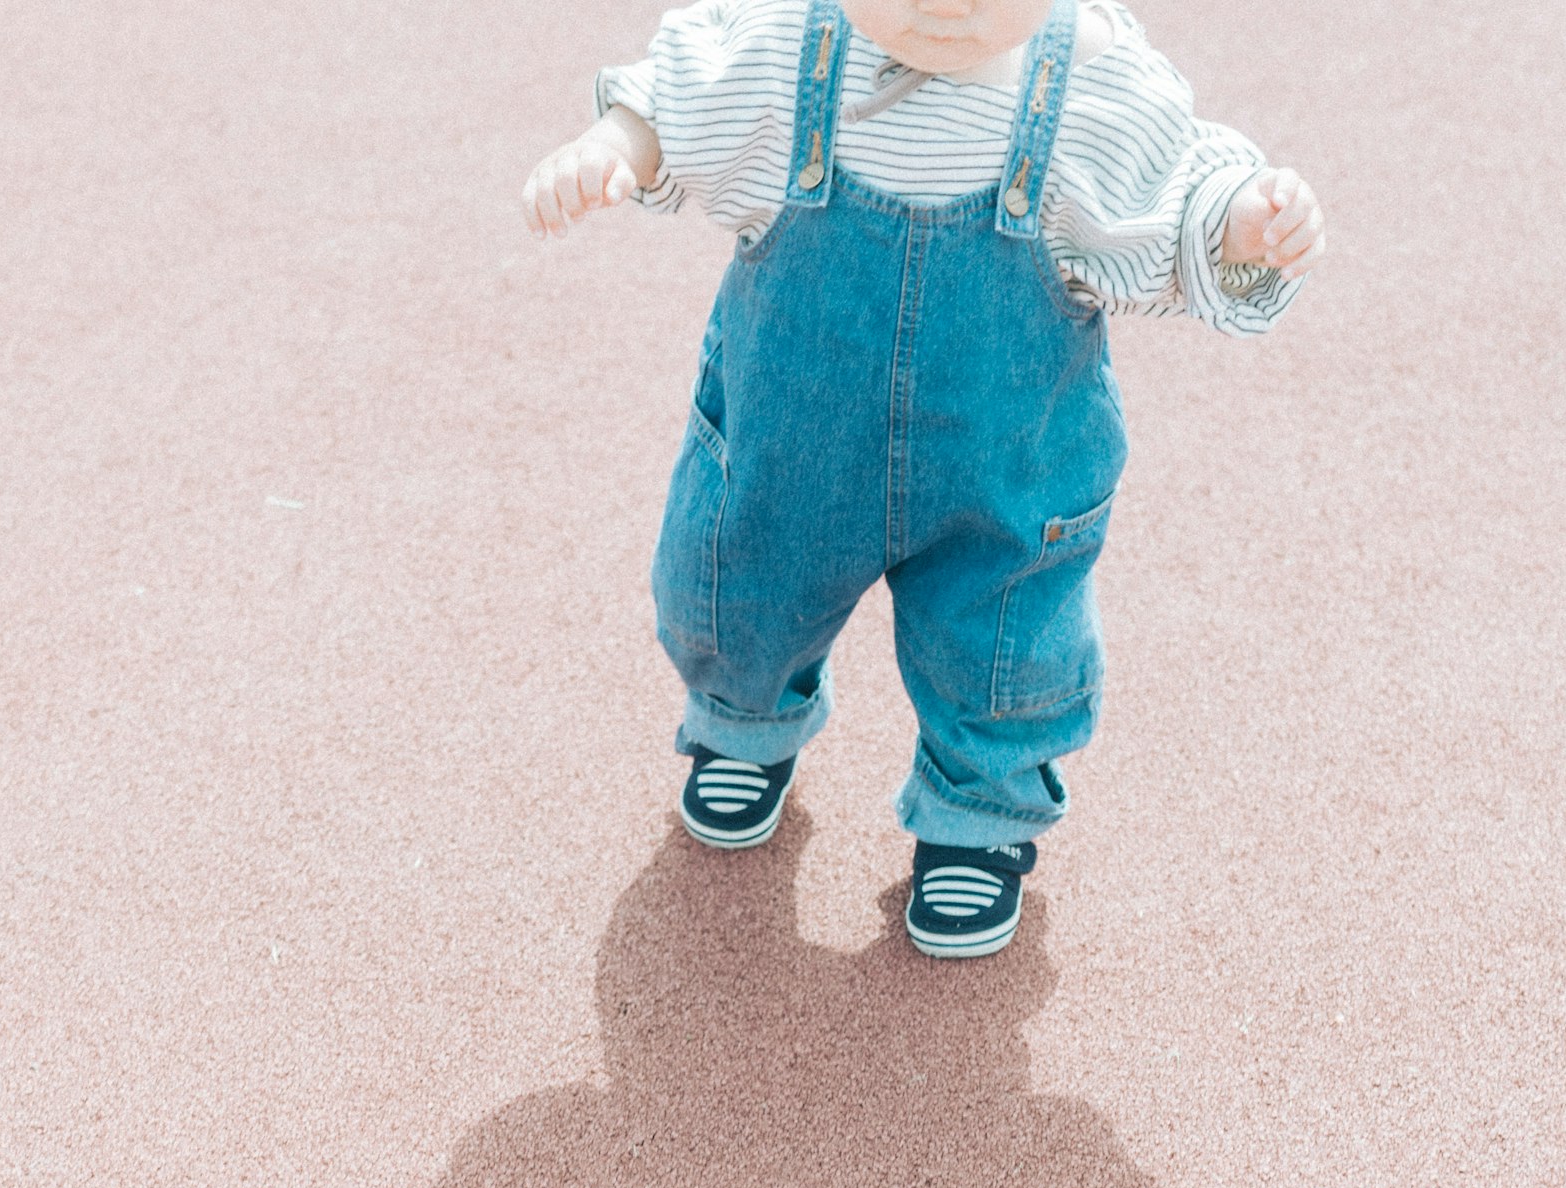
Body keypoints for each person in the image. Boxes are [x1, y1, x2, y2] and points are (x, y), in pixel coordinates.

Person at [523, 0, 1326, 958]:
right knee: (738, 587)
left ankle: (978, 814)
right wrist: (623, 139)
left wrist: (1241, 227)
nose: (950, 6)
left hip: (1002, 470)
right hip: (795, 443)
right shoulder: (790, 50)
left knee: (1006, 647)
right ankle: (742, 715)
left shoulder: (1091, 83)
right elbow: (684, 97)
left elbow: (1173, 194)